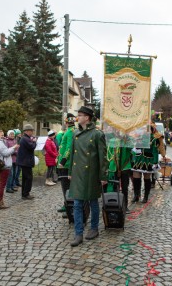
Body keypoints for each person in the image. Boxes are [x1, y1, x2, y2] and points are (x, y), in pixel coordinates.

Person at [68, 106, 108, 247]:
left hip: (91, 173)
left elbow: (103, 157)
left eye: (80, 115)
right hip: (78, 172)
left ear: (87, 117)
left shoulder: (97, 134)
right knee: (77, 204)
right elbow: (72, 154)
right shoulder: (75, 133)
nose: (78, 117)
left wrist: (103, 176)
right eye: (78, 115)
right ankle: (78, 233)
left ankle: (94, 228)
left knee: (92, 202)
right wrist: (70, 172)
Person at [131, 122, 166, 203]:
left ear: (151, 130)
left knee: (147, 178)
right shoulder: (138, 137)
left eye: (147, 129)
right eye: (143, 129)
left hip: (148, 160)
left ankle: (146, 196)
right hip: (138, 159)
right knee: (136, 178)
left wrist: (159, 158)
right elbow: (133, 148)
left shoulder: (155, 138)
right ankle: (136, 195)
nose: (145, 131)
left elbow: (158, 148)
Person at [0, 130, 19, 209]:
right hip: (4, 164)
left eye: (3, 134)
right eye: (1, 135)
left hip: (0, 164)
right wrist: (14, 148)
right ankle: (0, 202)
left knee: (0, 183)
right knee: (2, 185)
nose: (3, 136)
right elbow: (5, 153)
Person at [56, 113, 77, 215]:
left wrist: (63, 160)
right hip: (64, 162)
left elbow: (69, 147)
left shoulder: (70, 132)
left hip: (66, 164)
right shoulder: (71, 131)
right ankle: (67, 204)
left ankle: (68, 206)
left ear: (66, 122)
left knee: (66, 187)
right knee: (66, 186)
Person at [17, 124, 37, 200]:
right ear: (27, 131)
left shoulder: (25, 138)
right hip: (26, 162)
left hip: (24, 161)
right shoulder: (25, 139)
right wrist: (34, 142)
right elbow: (32, 147)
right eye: (31, 131)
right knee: (29, 178)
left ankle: (24, 194)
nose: (32, 132)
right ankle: (26, 194)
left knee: (25, 178)